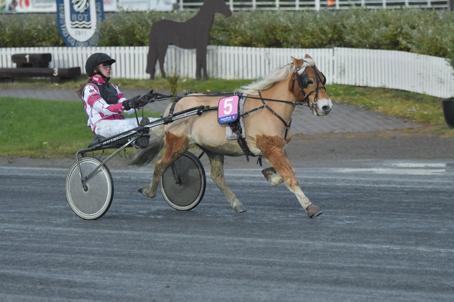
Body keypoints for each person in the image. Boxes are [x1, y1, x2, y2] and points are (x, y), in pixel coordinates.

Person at [79, 53, 150, 139]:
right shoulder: (90, 88)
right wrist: (125, 105)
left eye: (110, 66)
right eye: (105, 66)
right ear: (95, 70)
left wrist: (140, 103)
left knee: (152, 122)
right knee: (132, 128)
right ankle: (139, 140)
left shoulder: (113, 87)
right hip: (101, 126)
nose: (109, 68)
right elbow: (105, 109)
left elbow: (127, 109)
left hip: (118, 123)